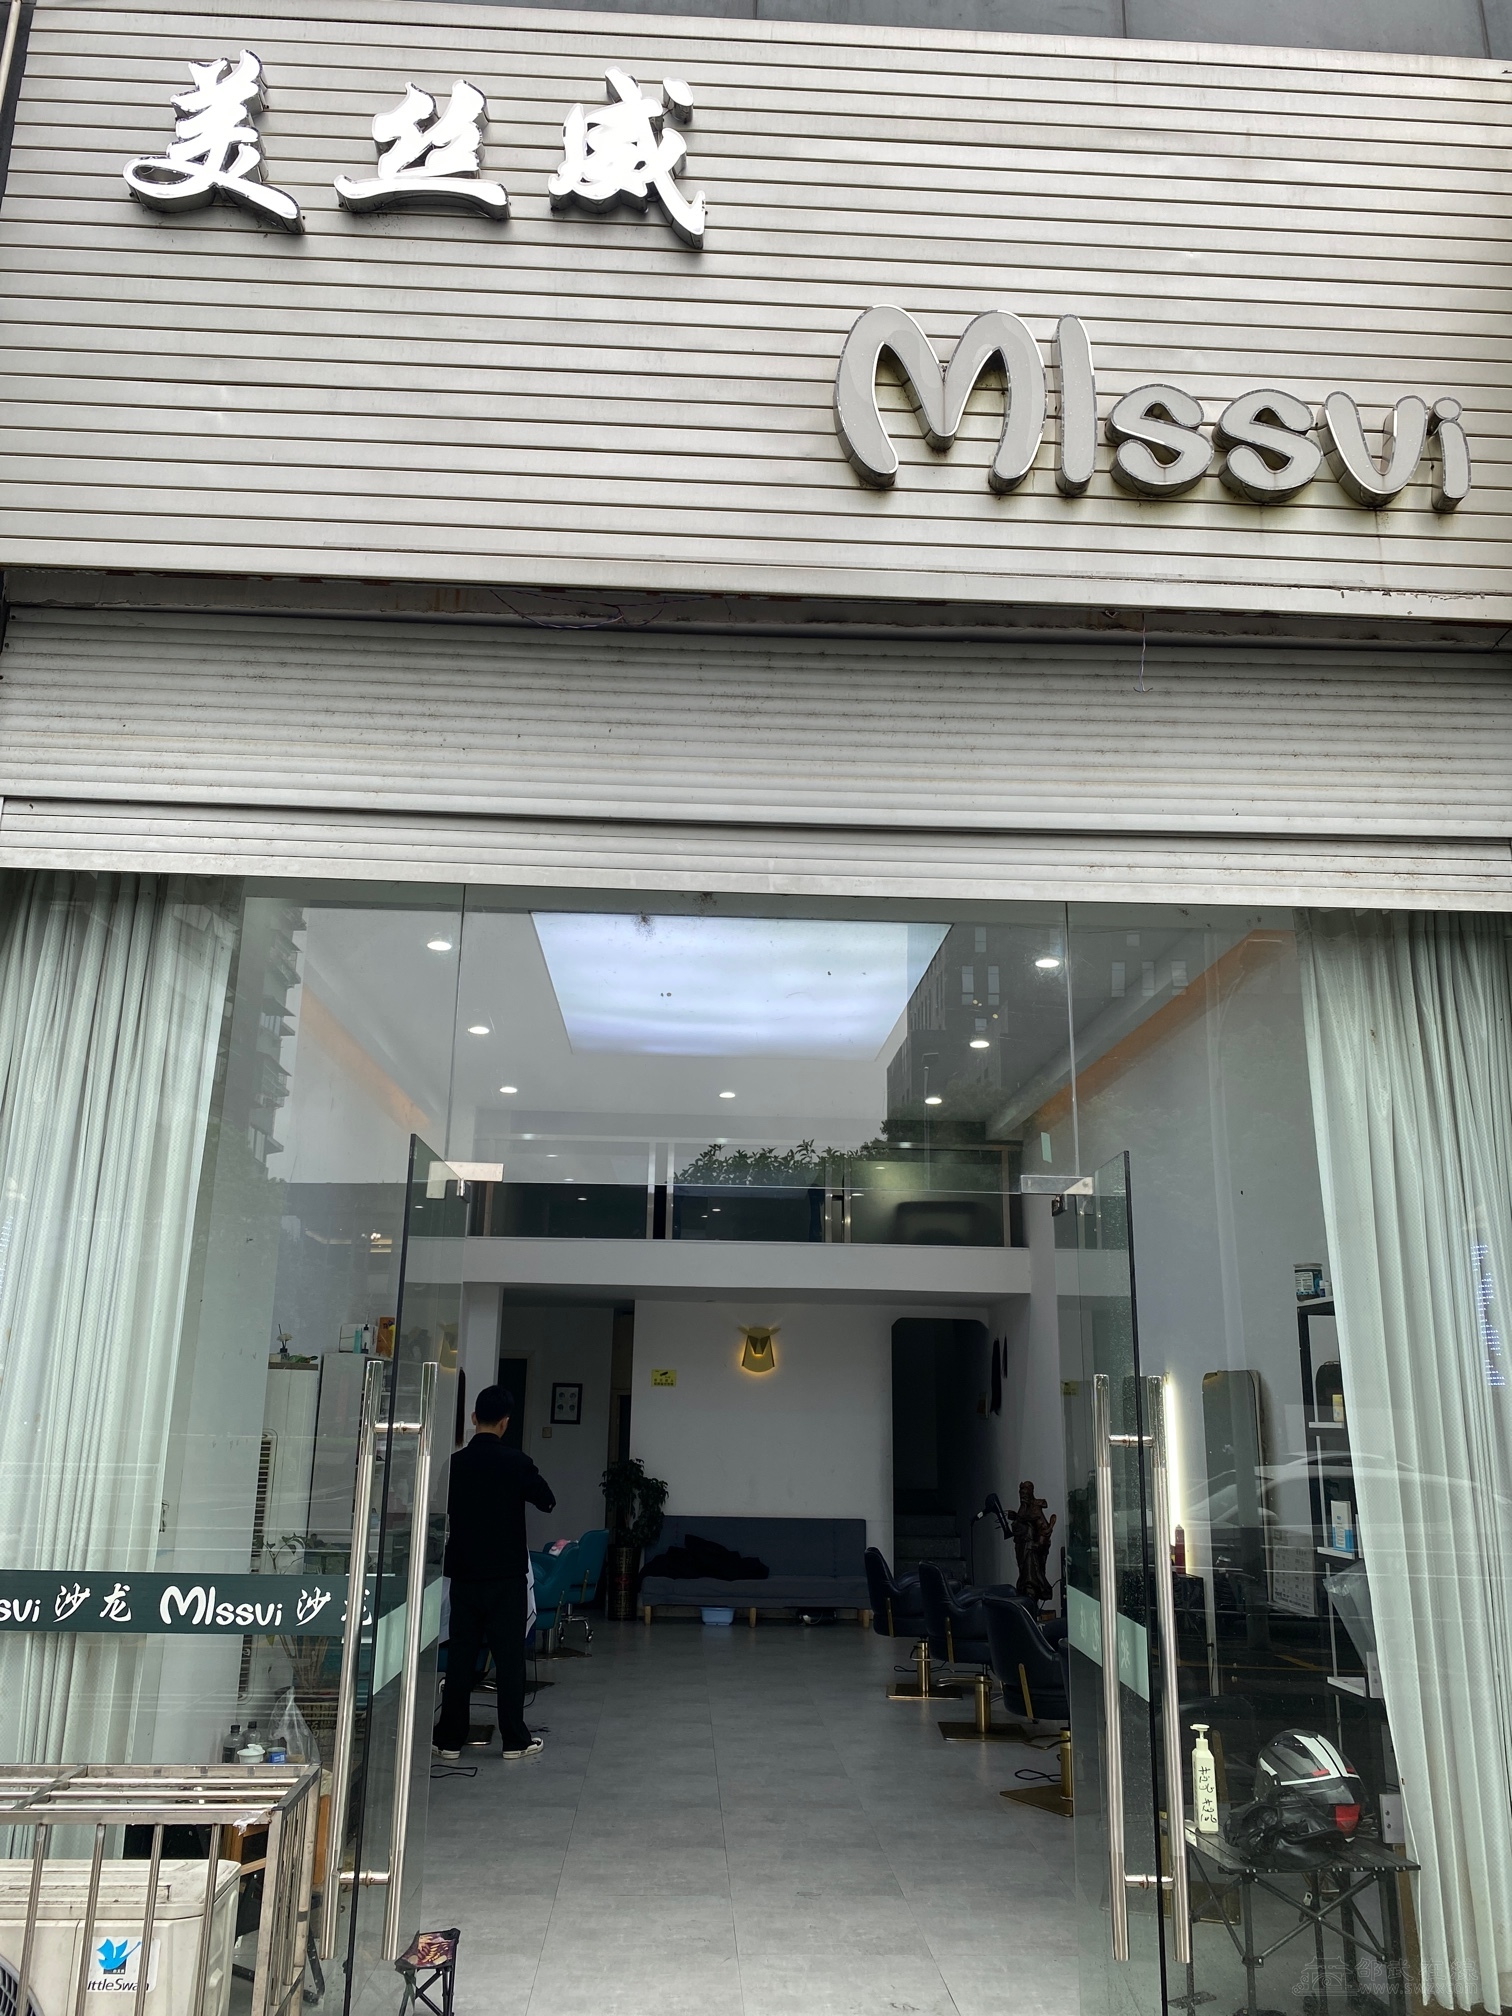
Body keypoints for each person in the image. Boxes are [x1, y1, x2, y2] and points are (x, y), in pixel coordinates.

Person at [433, 1384, 556, 1762]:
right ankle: (515, 1740)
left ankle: (449, 1739)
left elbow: (438, 1509)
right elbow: (547, 1501)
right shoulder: (517, 1462)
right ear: (505, 1422)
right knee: (509, 1659)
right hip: (505, 1577)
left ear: (474, 1418)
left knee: (461, 1656)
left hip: (464, 1574)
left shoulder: (454, 1464)